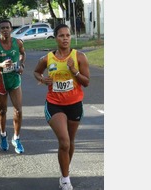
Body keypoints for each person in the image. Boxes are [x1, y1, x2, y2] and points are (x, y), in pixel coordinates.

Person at [33, 24, 90, 190]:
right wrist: (43, 79)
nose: (65, 38)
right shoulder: (47, 58)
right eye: (61, 35)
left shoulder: (79, 57)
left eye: (68, 35)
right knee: (64, 142)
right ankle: (65, 180)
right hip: (54, 104)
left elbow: (86, 82)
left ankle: (65, 171)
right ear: (55, 38)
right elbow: (36, 72)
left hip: (75, 105)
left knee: (70, 142)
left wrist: (74, 71)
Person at [0, 19, 26, 154]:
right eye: (2, 28)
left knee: (18, 111)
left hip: (14, 80)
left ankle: (16, 138)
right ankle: (3, 135)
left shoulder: (18, 42)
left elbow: (22, 53)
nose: (5, 30)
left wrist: (21, 65)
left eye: (7, 27)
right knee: (2, 110)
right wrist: (0, 65)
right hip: (0, 82)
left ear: (11, 29)